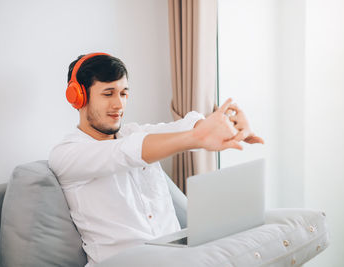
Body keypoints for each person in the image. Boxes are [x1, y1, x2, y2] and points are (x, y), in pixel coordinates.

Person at [48, 52, 264, 266]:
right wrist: (198, 137)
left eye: (123, 93)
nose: (119, 105)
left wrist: (225, 126)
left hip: (179, 258)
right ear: (78, 97)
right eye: (108, 94)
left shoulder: (135, 132)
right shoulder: (67, 155)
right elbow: (124, 152)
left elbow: (182, 126)